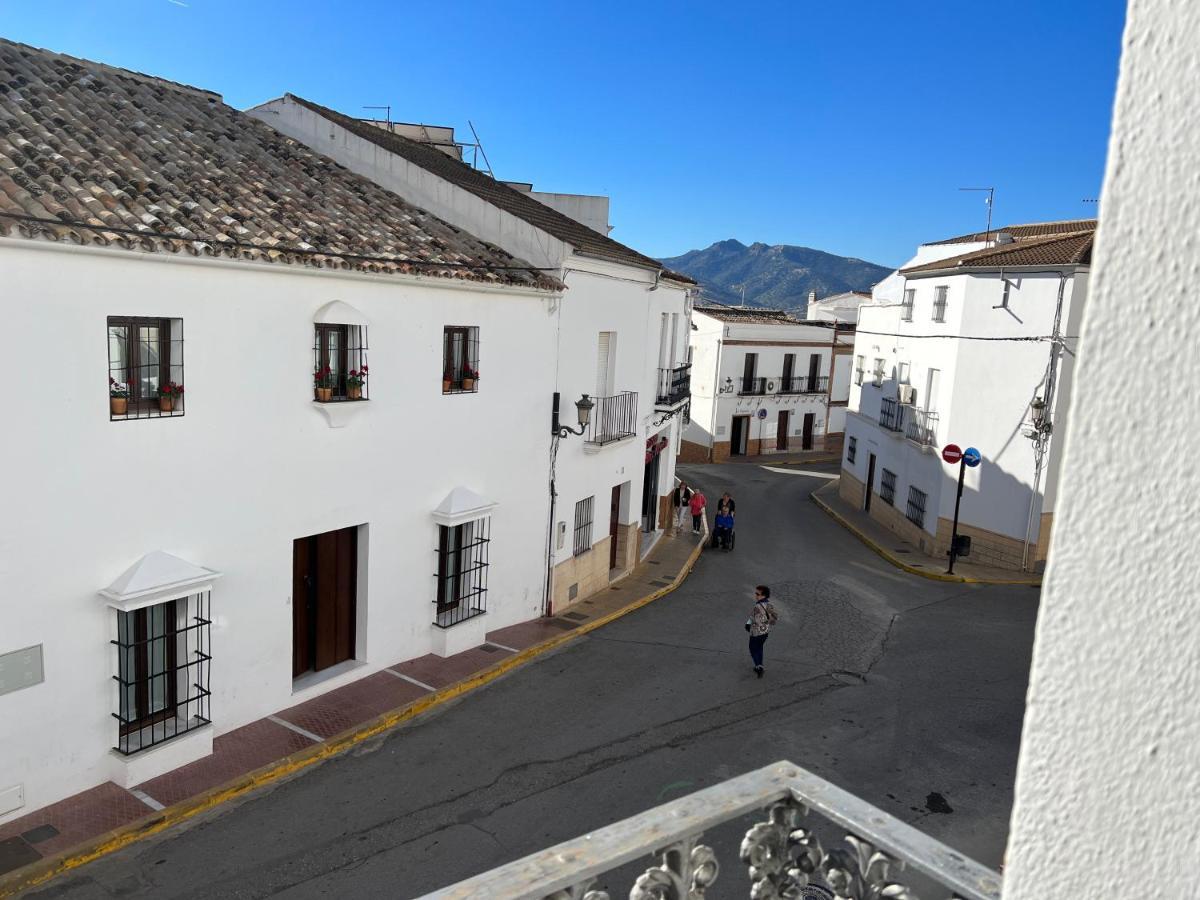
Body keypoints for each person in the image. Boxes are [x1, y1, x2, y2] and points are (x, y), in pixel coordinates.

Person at [745, 584, 778, 678]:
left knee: (752, 649)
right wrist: (767, 621)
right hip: (765, 632)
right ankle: (760, 664)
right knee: (759, 647)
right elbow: (775, 617)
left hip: (755, 632)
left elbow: (752, 617)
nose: (755, 595)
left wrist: (747, 624)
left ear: (763, 595)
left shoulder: (757, 606)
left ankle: (758, 667)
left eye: (757, 594)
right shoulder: (769, 605)